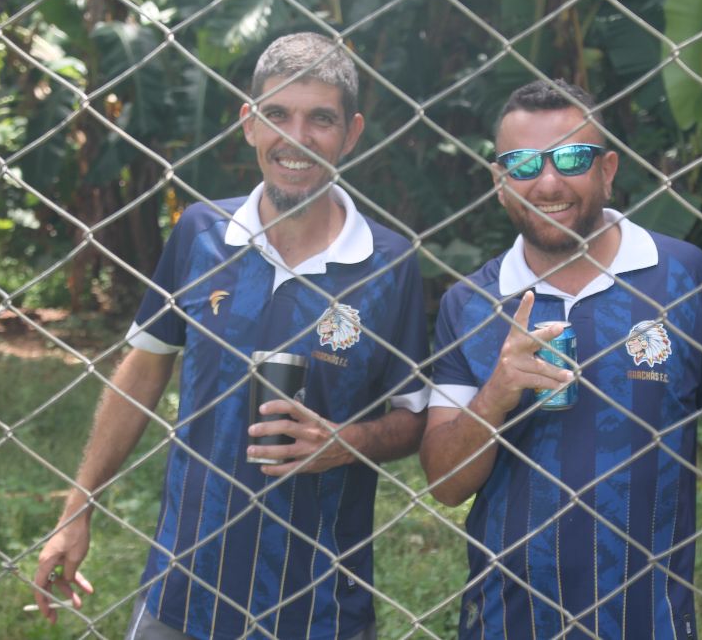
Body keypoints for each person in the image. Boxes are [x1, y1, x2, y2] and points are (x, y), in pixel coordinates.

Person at [33, 32, 430, 640]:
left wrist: (344, 442)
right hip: (181, 589)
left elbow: (414, 418)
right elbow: (143, 370)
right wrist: (76, 508)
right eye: (277, 114)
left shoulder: (389, 265)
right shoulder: (200, 234)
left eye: (320, 119)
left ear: (351, 133)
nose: (296, 137)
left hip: (320, 604)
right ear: (249, 123)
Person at [420, 79, 702, 640]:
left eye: (571, 158)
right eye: (522, 163)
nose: (547, 182)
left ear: (607, 170)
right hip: (506, 621)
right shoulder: (469, 304)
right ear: (499, 182)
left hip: (652, 619)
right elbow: (445, 484)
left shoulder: (683, 277)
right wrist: (495, 397)